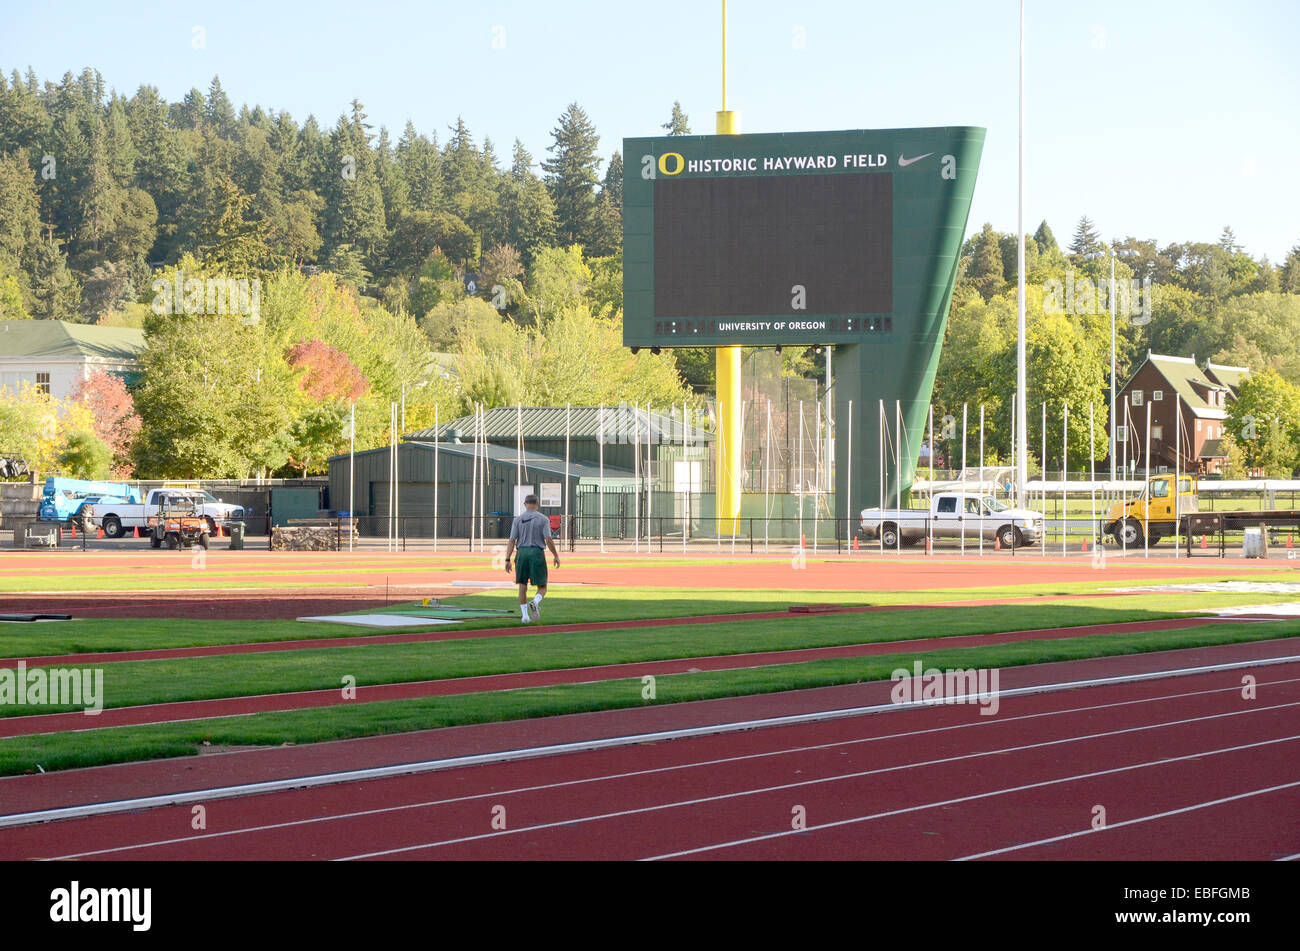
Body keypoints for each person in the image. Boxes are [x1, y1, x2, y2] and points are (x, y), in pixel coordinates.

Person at [503, 494, 560, 623]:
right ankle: (535, 601)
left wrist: (507, 559)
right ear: (537, 504)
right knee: (542, 586)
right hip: (536, 552)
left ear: (525, 504)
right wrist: (555, 555)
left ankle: (525, 616)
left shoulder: (518, 519)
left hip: (521, 552)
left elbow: (512, 540)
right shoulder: (543, 519)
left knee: (522, 585)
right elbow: (548, 539)